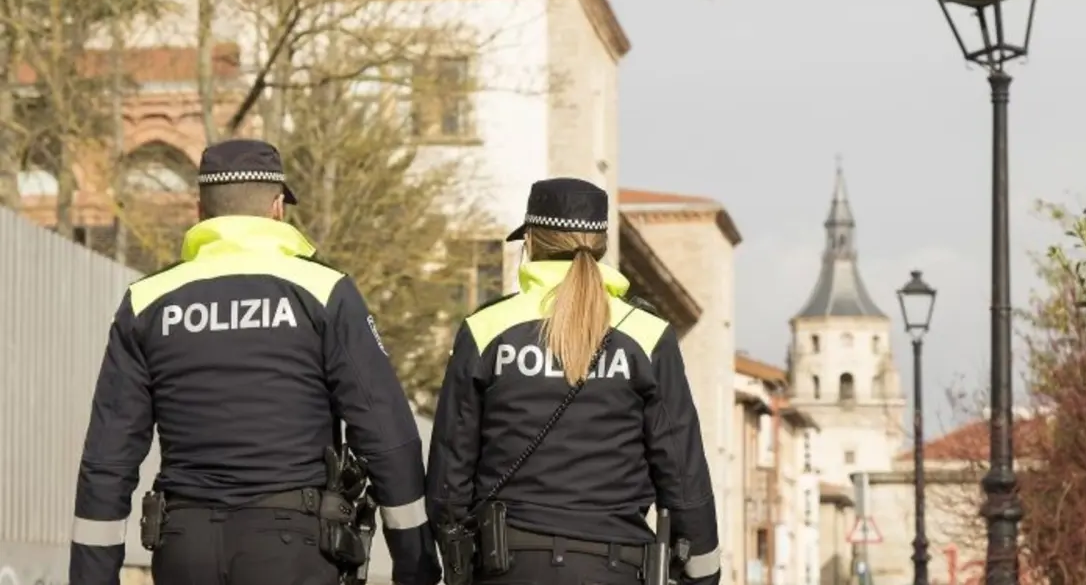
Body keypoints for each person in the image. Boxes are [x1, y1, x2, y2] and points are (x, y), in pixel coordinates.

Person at [69, 139, 440, 585]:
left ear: (200, 211)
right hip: (293, 548)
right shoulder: (324, 292)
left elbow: (107, 459)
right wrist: (416, 564)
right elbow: (385, 436)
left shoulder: (146, 302)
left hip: (185, 548)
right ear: (277, 208)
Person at [426, 177, 722, 585]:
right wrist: (703, 572)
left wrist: (451, 556)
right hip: (617, 566)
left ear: (531, 241)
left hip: (508, 566)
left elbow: (450, 467)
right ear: (602, 245)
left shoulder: (486, 328)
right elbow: (682, 471)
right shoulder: (648, 334)